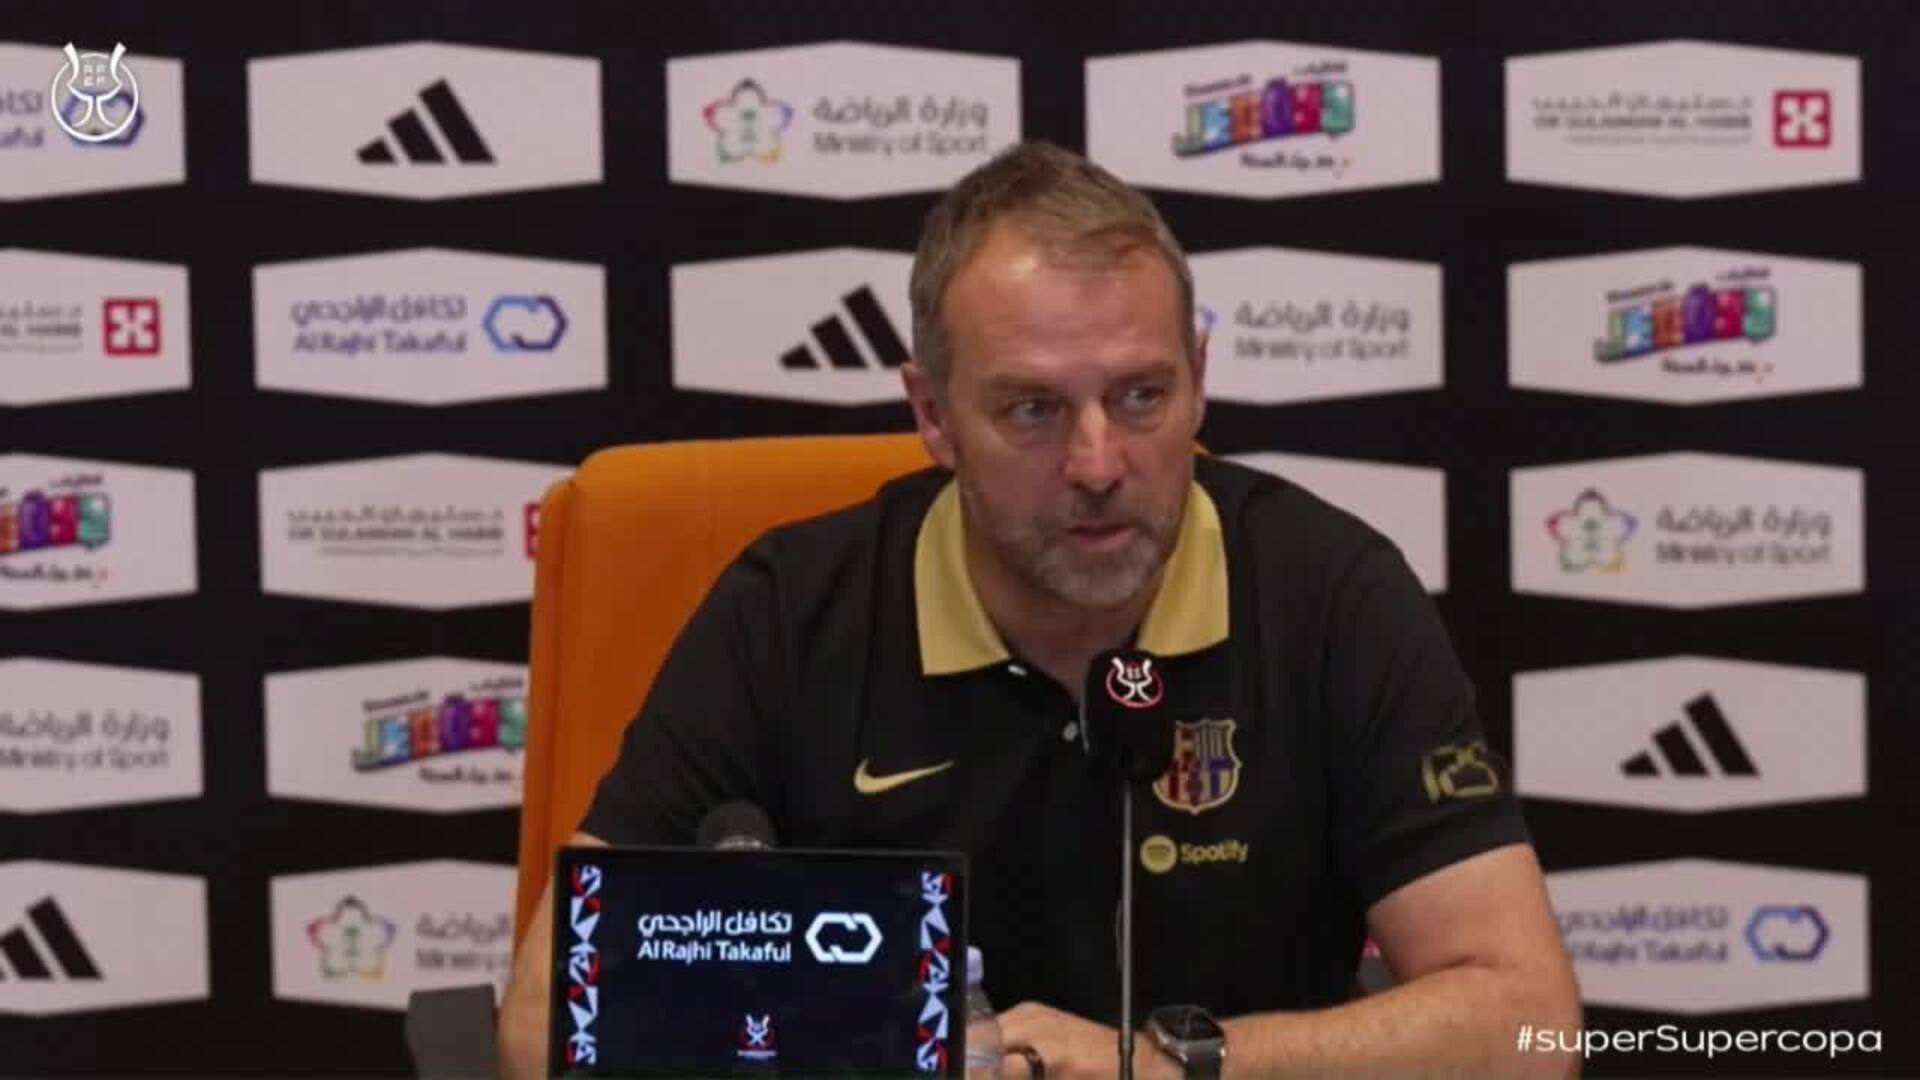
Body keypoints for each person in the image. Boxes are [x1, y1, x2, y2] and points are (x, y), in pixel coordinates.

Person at [499, 140, 1581, 1079]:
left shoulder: (1330, 595)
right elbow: (544, 1023)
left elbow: (1533, 1027)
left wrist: (1162, 1067)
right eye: (1033, 409)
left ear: (1200, 380)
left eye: (1142, 396)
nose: (1099, 464)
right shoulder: (788, 616)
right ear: (933, 413)